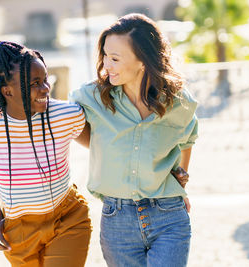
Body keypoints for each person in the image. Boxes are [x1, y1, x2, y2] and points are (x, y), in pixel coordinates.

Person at [69, 13, 198, 267]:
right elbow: (59, 117)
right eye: (105, 55)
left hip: (168, 215)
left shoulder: (178, 102)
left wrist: (182, 174)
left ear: (143, 60)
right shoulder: (93, 97)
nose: (107, 65)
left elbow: (188, 138)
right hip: (117, 222)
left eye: (115, 58)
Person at [0, 41, 91, 267]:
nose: (45, 88)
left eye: (45, 79)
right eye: (35, 83)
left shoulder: (66, 115)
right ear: (7, 91)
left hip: (67, 218)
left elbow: (100, 144)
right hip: (18, 231)